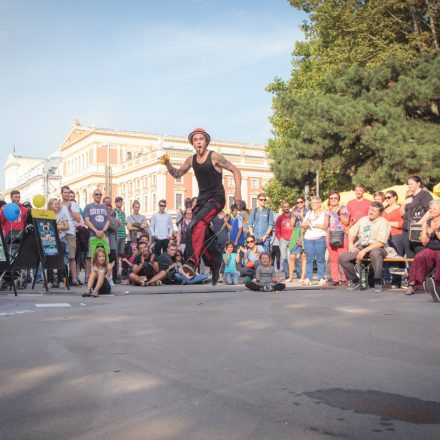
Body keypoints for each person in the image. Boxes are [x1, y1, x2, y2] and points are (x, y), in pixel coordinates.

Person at [160, 128, 242, 285]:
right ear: (193, 144)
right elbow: (177, 174)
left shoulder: (214, 156)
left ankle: (191, 262)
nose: (198, 142)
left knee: (197, 224)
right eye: (195, 140)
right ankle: (216, 261)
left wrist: (237, 193)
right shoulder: (191, 160)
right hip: (203, 199)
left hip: (216, 198)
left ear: (206, 142)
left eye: (201, 139)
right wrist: (167, 163)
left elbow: (235, 170)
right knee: (195, 230)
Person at [339, 201, 391, 293]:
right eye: (370, 209)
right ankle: (355, 281)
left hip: (378, 247)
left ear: (379, 213)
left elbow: (380, 243)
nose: (370, 212)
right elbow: (351, 232)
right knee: (343, 257)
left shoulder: (384, 222)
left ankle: (378, 281)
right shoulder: (363, 220)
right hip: (362, 246)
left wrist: (364, 251)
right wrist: (351, 243)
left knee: (376, 253)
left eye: (374, 211)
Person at [405, 200, 440, 297]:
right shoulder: (426, 223)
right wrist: (429, 234)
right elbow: (424, 242)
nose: (432, 210)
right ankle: (413, 284)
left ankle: (437, 286)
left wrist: (436, 231)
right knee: (419, 257)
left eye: (435, 209)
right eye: (431, 208)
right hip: (430, 248)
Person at [401, 175, 433, 258]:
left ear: (418, 183)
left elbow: (430, 211)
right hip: (406, 231)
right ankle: (412, 271)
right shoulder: (410, 197)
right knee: (410, 257)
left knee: (420, 256)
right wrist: (404, 203)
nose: (409, 186)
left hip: (418, 230)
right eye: (408, 184)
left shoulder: (424, 195)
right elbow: (402, 213)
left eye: (411, 184)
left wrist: (418, 224)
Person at [301, 196, 329, 286]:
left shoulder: (325, 213)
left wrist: (314, 224)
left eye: (315, 203)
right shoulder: (309, 213)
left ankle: (321, 278)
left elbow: (325, 226)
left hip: (320, 237)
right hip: (308, 238)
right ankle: (309, 278)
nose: (313, 205)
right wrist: (305, 225)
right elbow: (303, 225)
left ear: (319, 204)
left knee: (320, 259)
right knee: (309, 259)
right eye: (311, 203)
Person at [83, 189, 110, 281]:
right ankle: (88, 277)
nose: (98, 196)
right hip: (92, 235)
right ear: (93, 195)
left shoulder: (105, 207)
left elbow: (108, 221)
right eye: (96, 194)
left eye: (100, 194)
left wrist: (103, 230)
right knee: (90, 256)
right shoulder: (88, 207)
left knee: (105, 255)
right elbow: (87, 220)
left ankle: (105, 276)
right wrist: (95, 230)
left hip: (103, 235)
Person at [326, 192, 350, 286]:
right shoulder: (327, 210)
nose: (333, 199)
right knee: (333, 259)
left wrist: (339, 214)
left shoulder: (343, 208)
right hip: (330, 235)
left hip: (342, 235)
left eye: (335, 198)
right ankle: (335, 279)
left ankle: (345, 278)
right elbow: (325, 225)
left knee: (342, 258)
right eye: (331, 198)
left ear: (338, 199)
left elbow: (347, 222)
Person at [382, 190, 404, 287]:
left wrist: (388, 223)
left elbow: (402, 224)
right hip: (386, 236)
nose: (387, 200)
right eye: (385, 198)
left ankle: (396, 281)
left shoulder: (400, 208)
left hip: (397, 235)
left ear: (395, 197)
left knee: (397, 258)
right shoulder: (385, 208)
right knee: (387, 258)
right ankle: (387, 280)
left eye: (389, 197)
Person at [61, 185, 81, 286]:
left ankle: (73, 279)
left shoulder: (73, 204)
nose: (67, 194)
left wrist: (70, 211)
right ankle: (63, 279)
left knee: (72, 257)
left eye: (68, 193)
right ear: (62, 193)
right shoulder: (59, 204)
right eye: (65, 193)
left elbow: (78, 219)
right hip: (60, 234)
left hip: (71, 233)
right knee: (62, 257)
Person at [47, 198, 69, 288]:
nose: (57, 205)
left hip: (61, 239)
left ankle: (60, 280)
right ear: (50, 205)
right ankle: (49, 281)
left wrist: (60, 226)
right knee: (50, 260)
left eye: (57, 204)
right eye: (54, 204)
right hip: (50, 240)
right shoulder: (47, 215)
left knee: (60, 260)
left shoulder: (62, 214)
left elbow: (67, 226)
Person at [288, 196, 307, 282]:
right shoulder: (293, 212)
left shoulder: (308, 212)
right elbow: (291, 225)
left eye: (301, 202)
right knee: (292, 256)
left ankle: (303, 277)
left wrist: (302, 216)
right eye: (298, 202)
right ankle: (291, 277)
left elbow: (306, 224)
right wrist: (295, 217)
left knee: (303, 256)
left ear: (304, 202)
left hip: (304, 233)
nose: (299, 204)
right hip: (295, 232)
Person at [275, 202, 294, 280]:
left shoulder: (293, 216)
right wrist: (280, 237)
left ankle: (299, 273)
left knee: (295, 256)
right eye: (284, 207)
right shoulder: (280, 218)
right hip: (283, 239)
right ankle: (287, 273)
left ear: (289, 207)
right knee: (284, 257)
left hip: (293, 238)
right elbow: (277, 228)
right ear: (283, 208)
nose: (286, 208)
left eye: (287, 206)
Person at [114, 196, 126, 281]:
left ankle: (119, 272)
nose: (120, 203)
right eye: (118, 202)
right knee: (116, 255)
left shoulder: (123, 213)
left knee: (121, 255)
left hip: (122, 235)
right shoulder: (114, 212)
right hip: (116, 235)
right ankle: (116, 273)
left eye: (121, 202)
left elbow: (123, 224)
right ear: (115, 203)